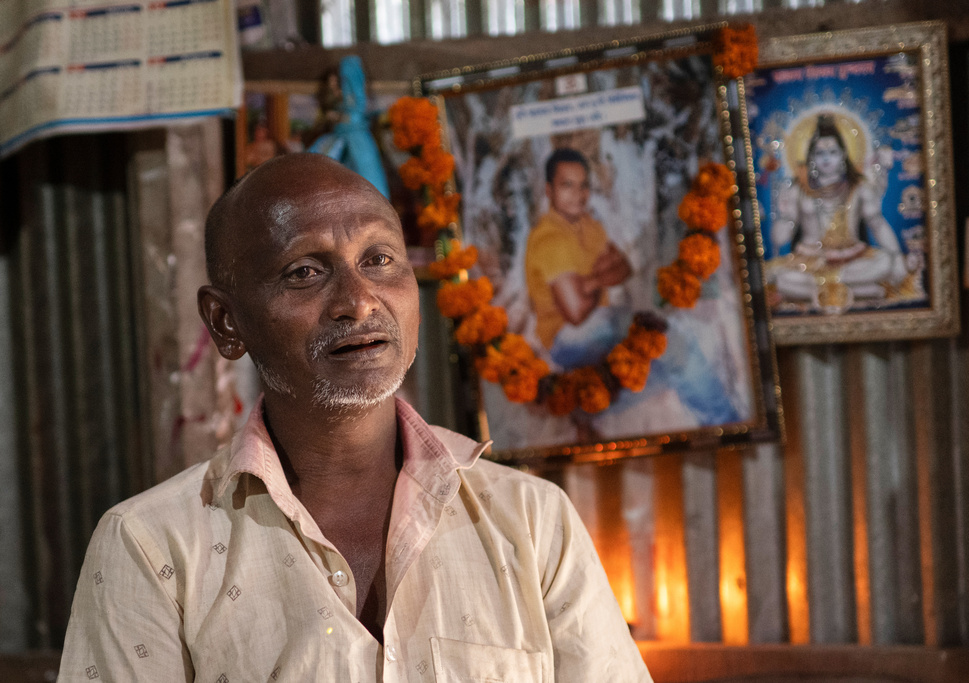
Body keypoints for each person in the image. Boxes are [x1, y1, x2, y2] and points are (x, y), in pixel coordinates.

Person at [58, 153, 652, 682]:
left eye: (380, 258)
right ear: (225, 322)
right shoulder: (152, 546)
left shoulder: (532, 522)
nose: (359, 300)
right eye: (304, 272)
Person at [767, 114, 907, 311]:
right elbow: (780, 239)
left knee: (886, 263)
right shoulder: (798, 190)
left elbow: (877, 223)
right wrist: (783, 215)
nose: (826, 158)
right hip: (809, 264)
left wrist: (897, 256)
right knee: (780, 277)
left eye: (832, 152)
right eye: (819, 153)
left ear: (843, 155)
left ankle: (830, 290)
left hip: (852, 260)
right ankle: (863, 291)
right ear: (811, 158)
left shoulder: (858, 187)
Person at [524, 148, 632, 366]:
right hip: (564, 342)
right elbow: (576, 314)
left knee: (664, 335)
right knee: (664, 348)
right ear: (549, 190)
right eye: (567, 185)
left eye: (584, 185)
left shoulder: (590, 225)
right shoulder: (550, 239)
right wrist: (603, 277)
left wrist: (590, 282)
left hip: (599, 323)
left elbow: (625, 268)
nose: (578, 194)